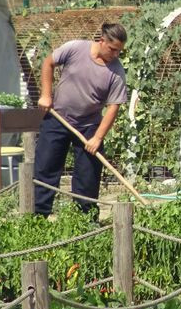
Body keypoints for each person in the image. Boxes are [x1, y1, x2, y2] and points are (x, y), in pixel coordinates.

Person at [33, 23, 128, 217]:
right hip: (57, 118)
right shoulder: (75, 48)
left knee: (88, 175)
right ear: (102, 41)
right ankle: (39, 217)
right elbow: (48, 63)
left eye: (119, 51)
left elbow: (113, 107)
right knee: (46, 167)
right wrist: (46, 94)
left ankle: (85, 220)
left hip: (89, 126)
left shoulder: (116, 71)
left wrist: (98, 138)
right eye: (113, 49)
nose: (116, 54)